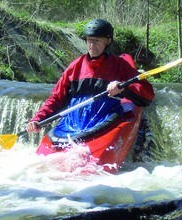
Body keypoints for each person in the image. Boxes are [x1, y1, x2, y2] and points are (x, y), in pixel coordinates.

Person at [26, 19, 155, 141]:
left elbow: (147, 92)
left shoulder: (119, 65)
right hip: (72, 124)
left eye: (97, 41)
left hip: (104, 119)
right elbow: (56, 98)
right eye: (89, 40)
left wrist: (124, 88)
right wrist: (38, 119)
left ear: (108, 41)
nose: (92, 45)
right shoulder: (75, 67)